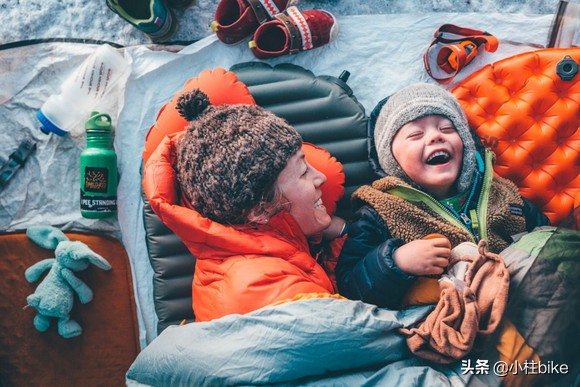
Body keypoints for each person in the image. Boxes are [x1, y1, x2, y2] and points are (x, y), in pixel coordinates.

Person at [335, 83, 550, 309]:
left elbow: (547, 240)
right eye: (416, 134)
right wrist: (396, 262)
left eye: (447, 128)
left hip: (522, 304)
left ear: (465, 143)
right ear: (391, 158)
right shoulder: (379, 211)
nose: (435, 137)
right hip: (444, 318)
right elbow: (349, 285)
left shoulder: (503, 195)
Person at [142, 89, 346, 322]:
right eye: (303, 173)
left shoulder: (253, 261)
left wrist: (345, 237)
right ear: (260, 210)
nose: (321, 177)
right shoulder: (259, 287)